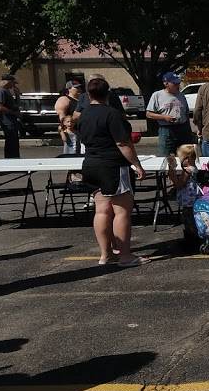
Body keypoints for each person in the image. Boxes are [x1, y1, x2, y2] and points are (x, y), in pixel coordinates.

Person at [75, 77, 147, 267]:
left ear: (88, 94)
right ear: (108, 93)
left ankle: (105, 254)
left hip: (91, 164)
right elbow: (122, 143)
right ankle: (125, 255)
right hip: (112, 165)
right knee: (122, 211)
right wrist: (137, 164)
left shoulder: (83, 115)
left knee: (101, 210)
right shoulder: (112, 114)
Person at [146, 72, 194, 155]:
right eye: (175, 83)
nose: (177, 85)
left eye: (178, 83)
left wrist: (189, 131)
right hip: (166, 130)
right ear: (166, 83)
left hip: (182, 129)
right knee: (166, 156)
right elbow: (149, 114)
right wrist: (164, 117)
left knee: (185, 156)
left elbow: (186, 113)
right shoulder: (157, 95)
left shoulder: (181, 95)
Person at [0, 74, 22, 159]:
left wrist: (17, 95)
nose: (13, 85)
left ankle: (14, 159)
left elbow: (16, 105)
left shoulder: (7, 91)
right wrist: (13, 113)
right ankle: (10, 160)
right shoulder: (1, 91)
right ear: (8, 82)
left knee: (14, 141)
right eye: (13, 83)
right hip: (7, 121)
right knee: (11, 141)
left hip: (12, 120)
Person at [55, 80, 84, 148]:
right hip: (72, 134)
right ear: (69, 89)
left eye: (80, 87)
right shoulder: (64, 99)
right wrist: (63, 133)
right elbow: (62, 119)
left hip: (83, 133)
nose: (79, 89)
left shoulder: (82, 100)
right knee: (72, 154)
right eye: (77, 88)